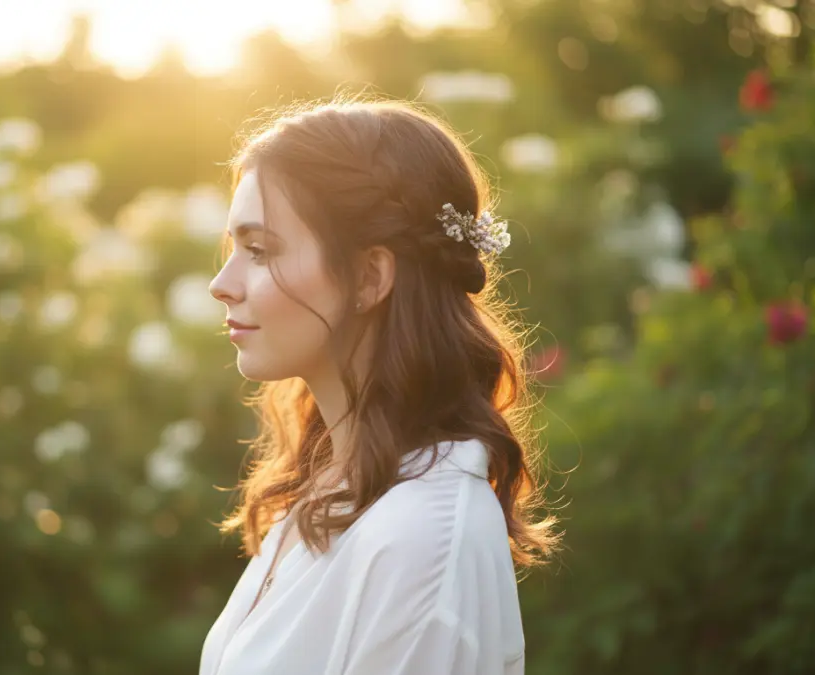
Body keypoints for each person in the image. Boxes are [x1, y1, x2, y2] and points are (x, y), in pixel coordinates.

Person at [198, 97, 562, 675]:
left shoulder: (419, 538)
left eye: (260, 251)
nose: (222, 283)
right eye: (234, 248)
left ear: (370, 276)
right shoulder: (334, 489)